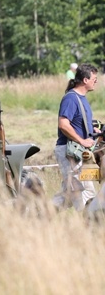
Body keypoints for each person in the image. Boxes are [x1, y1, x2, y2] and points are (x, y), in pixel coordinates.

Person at [52, 63, 99, 211]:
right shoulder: (71, 98)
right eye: (94, 79)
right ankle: (86, 224)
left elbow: (79, 122)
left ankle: (39, 214)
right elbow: (63, 124)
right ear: (85, 80)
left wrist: (93, 130)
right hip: (70, 152)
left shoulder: (81, 98)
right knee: (83, 191)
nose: (96, 81)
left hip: (78, 152)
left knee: (68, 195)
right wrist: (82, 140)